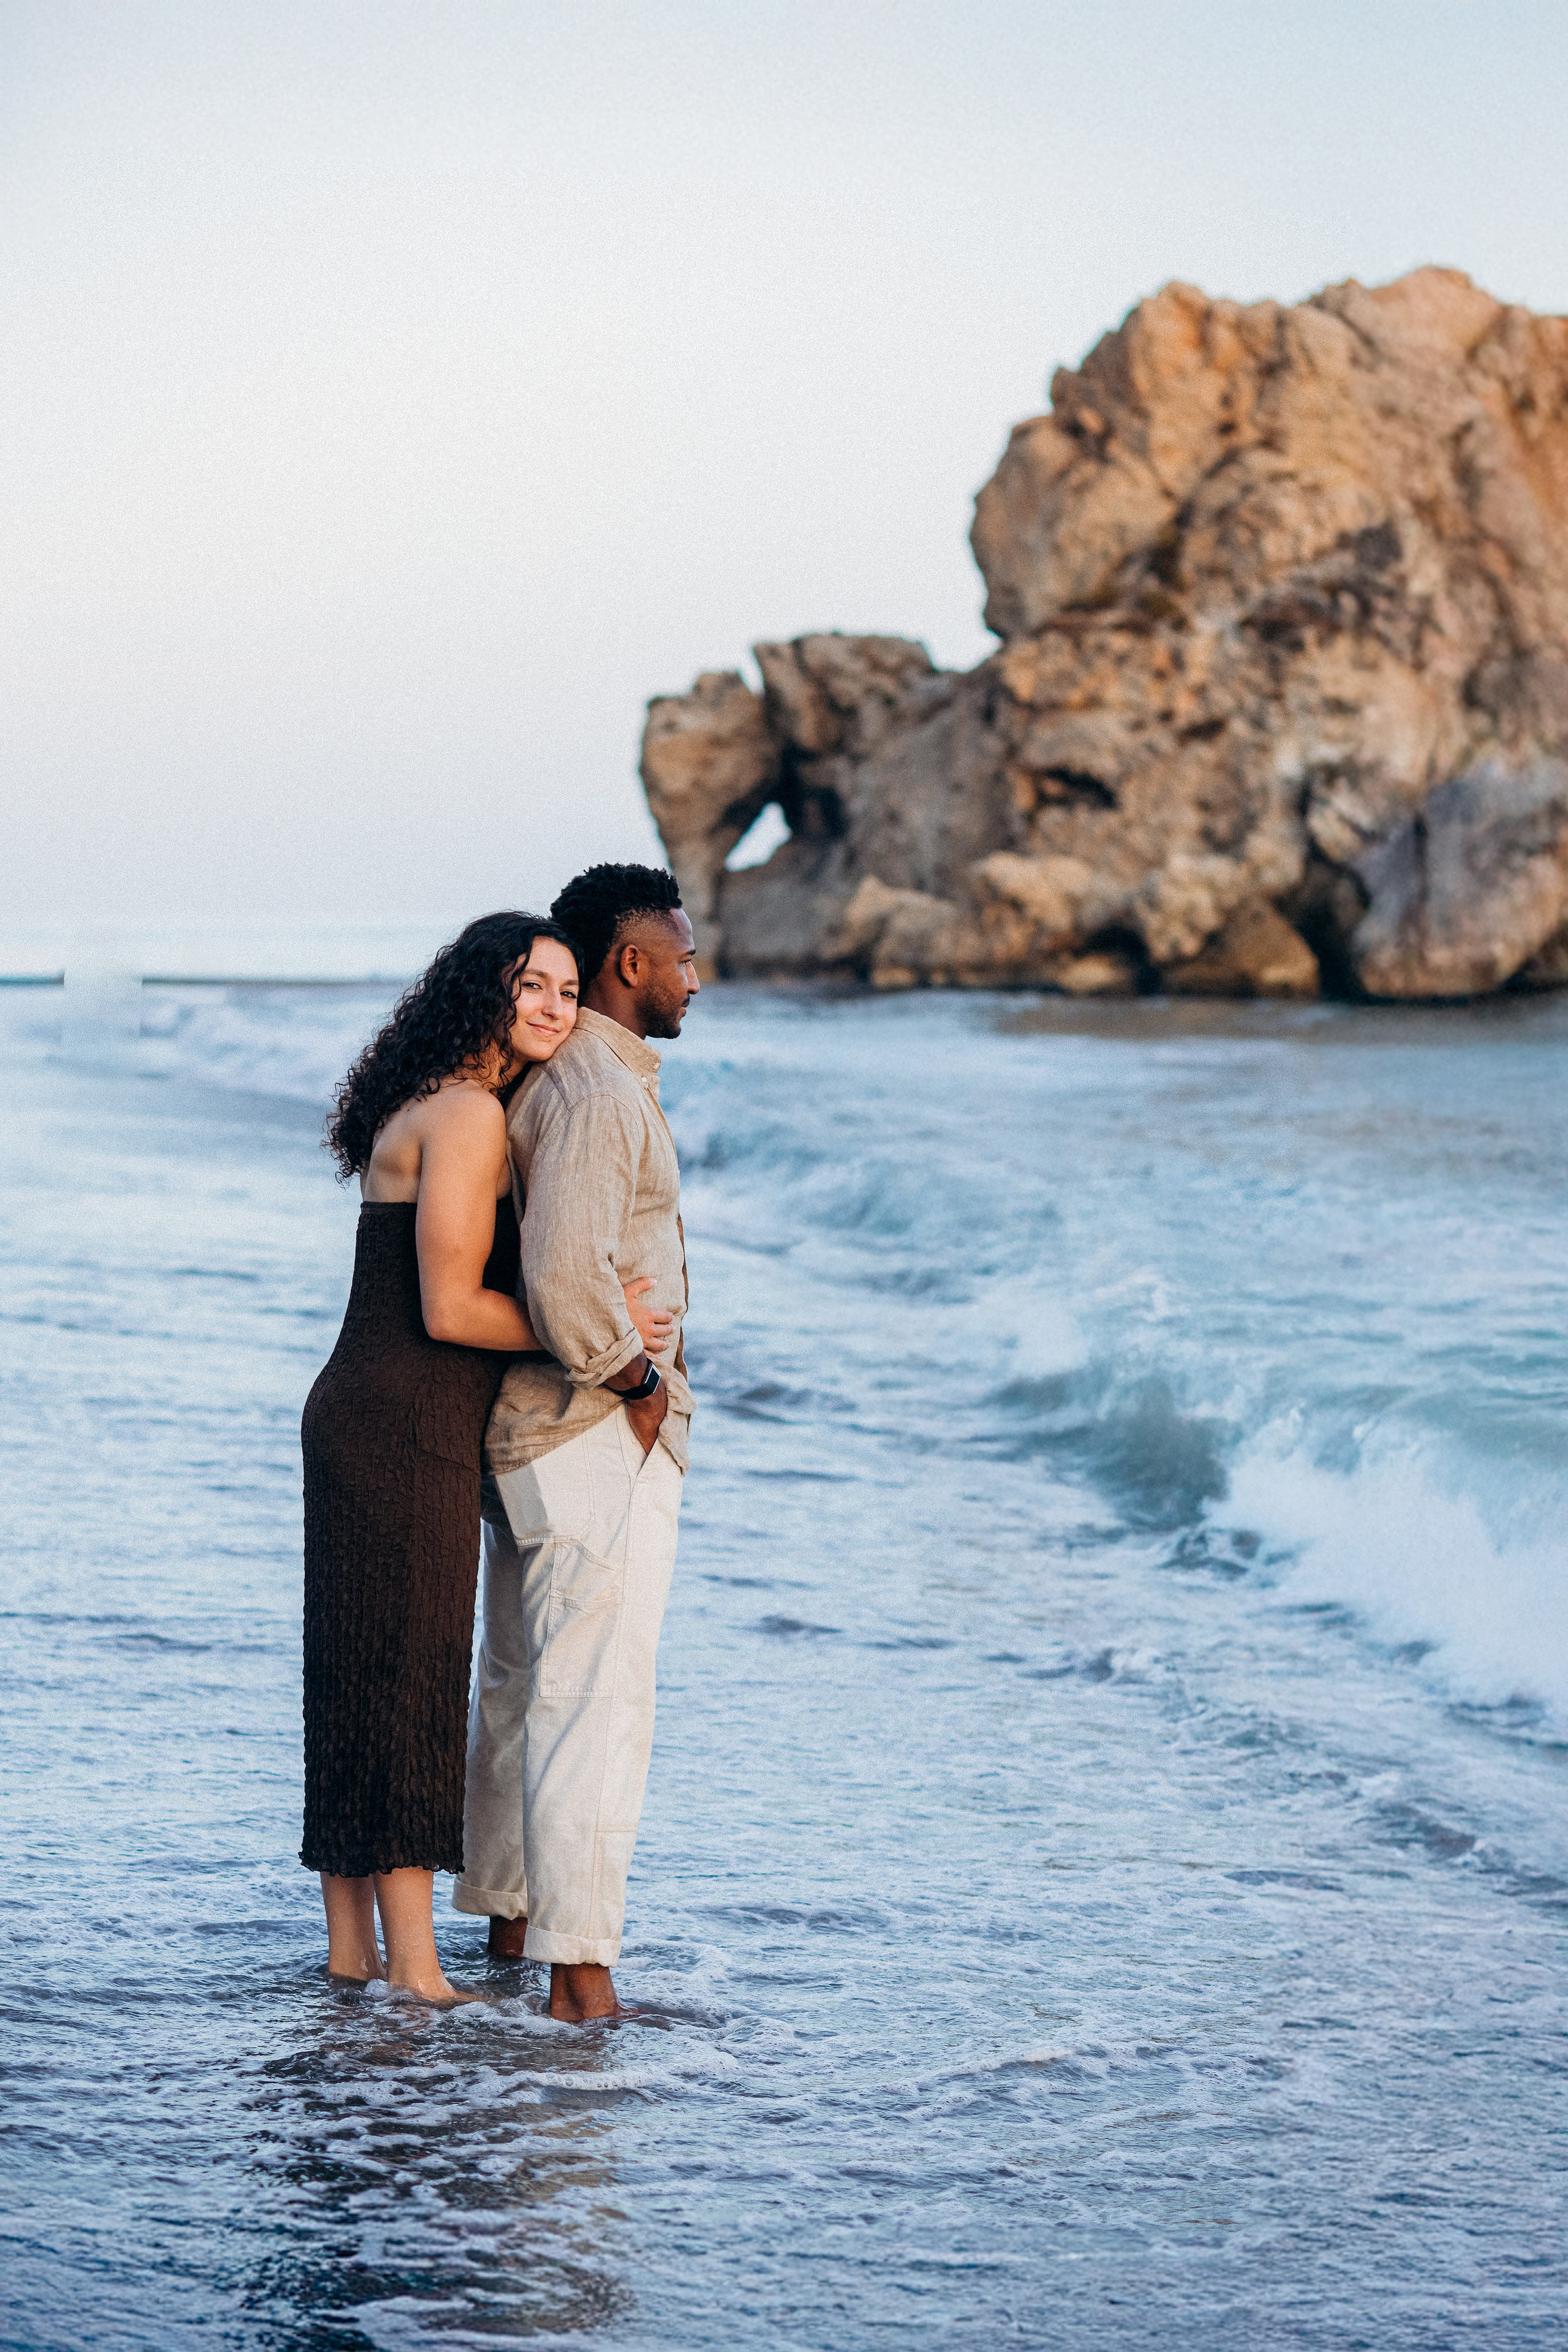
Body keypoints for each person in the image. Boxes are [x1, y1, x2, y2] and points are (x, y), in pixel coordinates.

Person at [300, 913, 673, 2003]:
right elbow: (452, 1308)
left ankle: (352, 1956)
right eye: (534, 987)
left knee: (357, 1677)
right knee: (409, 1680)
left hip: (369, 1415)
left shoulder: (443, 1101)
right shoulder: (466, 1115)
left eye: (568, 989)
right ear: (485, 995)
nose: (558, 1007)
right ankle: (415, 1973)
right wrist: (604, 1332)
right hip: (401, 1419)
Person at [453, 864, 699, 2021]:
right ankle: (580, 1979)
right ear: (633, 964)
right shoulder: (601, 1090)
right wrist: (642, 1381)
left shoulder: (559, 1079)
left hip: (531, 1433)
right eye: (684, 958)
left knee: (524, 1685)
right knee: (595, 1705)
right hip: (590, 1429)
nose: (698, 979)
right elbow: (563, 1276)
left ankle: (510, 1922)